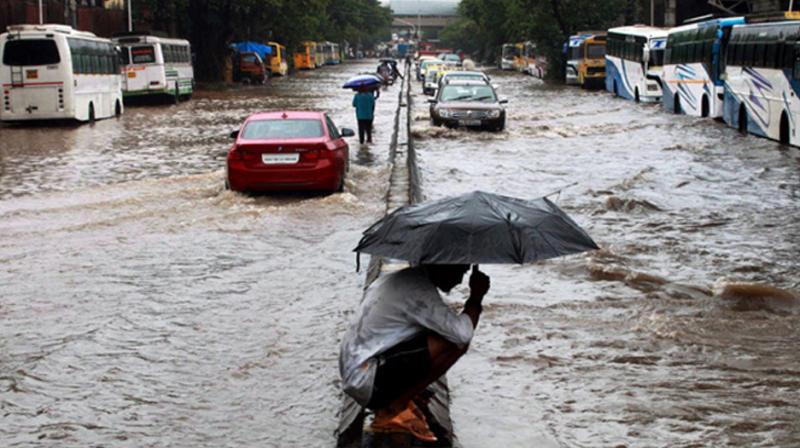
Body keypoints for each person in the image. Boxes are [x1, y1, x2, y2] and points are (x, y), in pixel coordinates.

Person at [339, 264, 491, 442]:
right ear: (442, 267)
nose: (459, 281)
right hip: (368, 381)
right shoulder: (419, 289)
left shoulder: (400, 279)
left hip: (358, 371)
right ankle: (394, 408)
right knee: (453, 343)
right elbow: (462, 335)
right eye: (459, 272)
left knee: (439, 332)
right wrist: (476, 298)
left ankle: (399, 401)